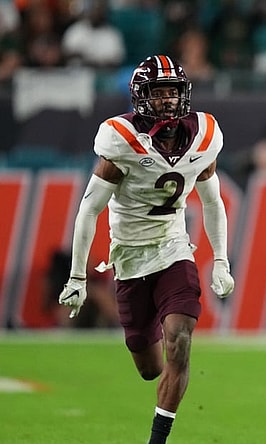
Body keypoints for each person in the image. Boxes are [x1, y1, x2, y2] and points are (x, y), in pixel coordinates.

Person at [57, 54, 235, 444]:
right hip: (129, 255)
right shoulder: (121, 139)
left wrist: (220, 259)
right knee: (150, 367)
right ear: (141, 96)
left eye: (174, 91)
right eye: (159, 92)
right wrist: (77, 275)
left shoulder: (204, 134)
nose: (168, 100)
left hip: (173, 248)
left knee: (181, 338)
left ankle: (157, 439)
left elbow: (212, 201)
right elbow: (89, 208)